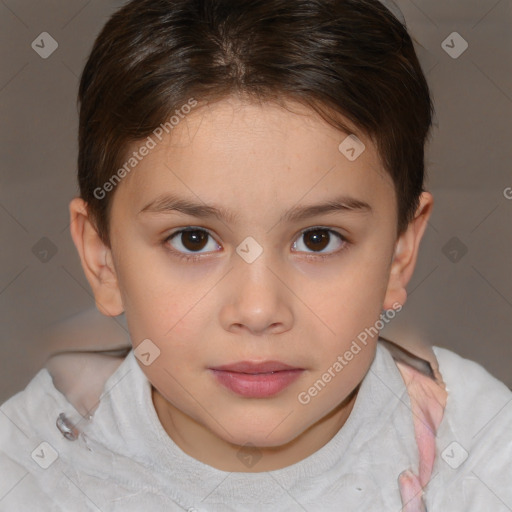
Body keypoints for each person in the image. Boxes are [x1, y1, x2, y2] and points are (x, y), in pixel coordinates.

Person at [1, 0, 511, 510]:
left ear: (401, 251)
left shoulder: (478, 451)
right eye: (193, 240)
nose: (258, 310)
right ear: (102, 259)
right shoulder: (30, 465)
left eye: (318, 239)